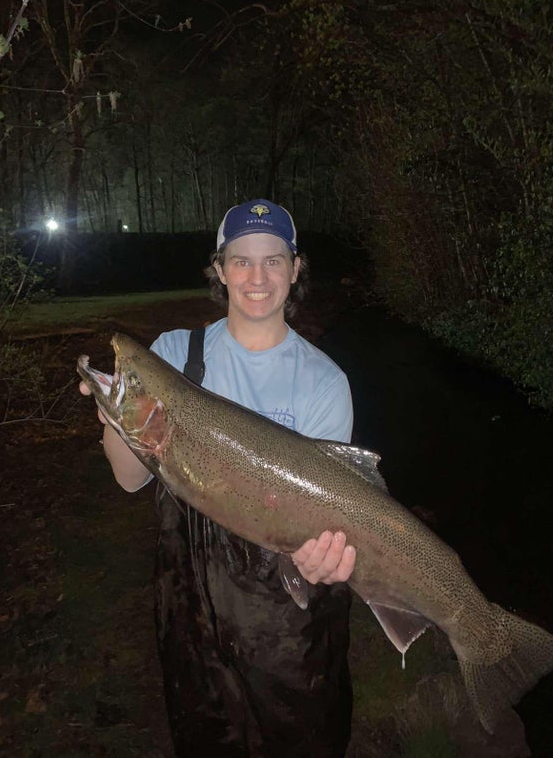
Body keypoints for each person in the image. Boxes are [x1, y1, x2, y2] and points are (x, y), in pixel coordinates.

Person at [81, 199, 357, 757]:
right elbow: (131, 479)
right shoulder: (175, 355)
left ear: (295, 269)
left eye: (273, 261)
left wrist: (323, 558)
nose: (257, 278)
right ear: (220, 268)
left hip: (290, 631)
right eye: (241, 261)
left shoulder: (325, 383)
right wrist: (117, 415)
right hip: (190, 623)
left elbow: (335, 516)